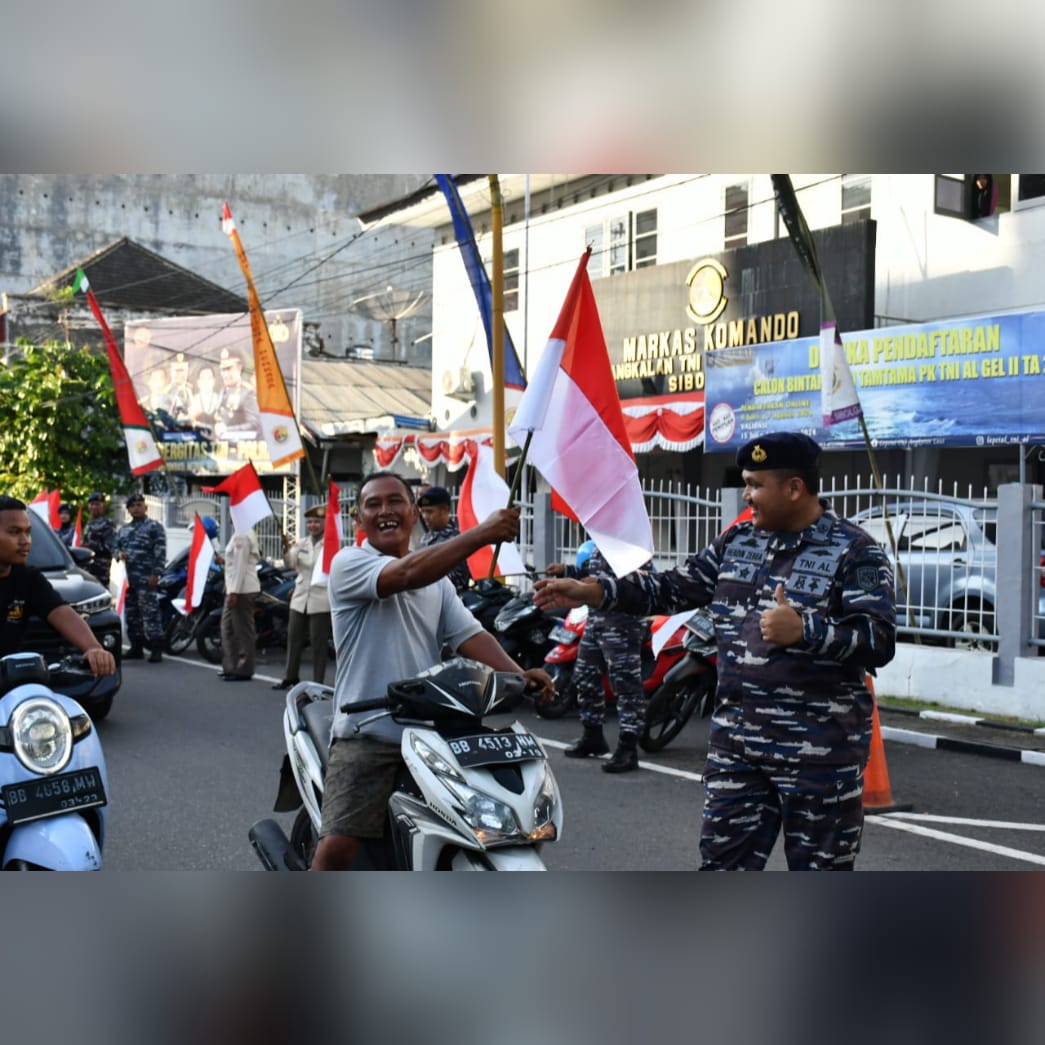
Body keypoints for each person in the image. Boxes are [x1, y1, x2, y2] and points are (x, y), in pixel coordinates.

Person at [535, 432, 896, 870]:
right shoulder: (737, 541)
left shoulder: (855, 552)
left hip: (818, 758)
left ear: (794, 487)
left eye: (755, 485)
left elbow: (878, 640)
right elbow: (671, 588)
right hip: (737, 752)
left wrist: (806, 630)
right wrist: (592, 591)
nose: (747, 495)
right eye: (745, 484)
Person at [312, 471, 554, 871]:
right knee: (337, 847)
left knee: (480, 826)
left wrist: (519, 673)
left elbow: (469, 635)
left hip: (431, 737)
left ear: (413, 513)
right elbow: (405, 575)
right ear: (359, 520)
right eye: (373, 504)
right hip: (369, 733)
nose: (385, 511)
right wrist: (482, 534)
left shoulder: (437, 583)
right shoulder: (349, 563)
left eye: (395, 501)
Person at [546, 538, 651, 773]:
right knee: (584, 676)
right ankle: (592, 735)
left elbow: (640, 584)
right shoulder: (599, 544)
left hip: (622, 624)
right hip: (595, 622)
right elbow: (590, 576)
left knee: (626, 686)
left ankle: (628, 747)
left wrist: (600, 585)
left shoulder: (632, 545)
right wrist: (566, 571)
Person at [0, 495, 117, 676]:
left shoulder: (28, 577)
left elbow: (59, 611)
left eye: (28, 532)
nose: (25, 541)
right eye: (14, 532)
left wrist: (92, 647)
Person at [273, 505, 331, 690]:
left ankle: (318, 682)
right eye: (310, 522)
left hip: (321, 598)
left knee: (318, 642)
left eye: (317, 522)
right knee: (293, 638)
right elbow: (290, 563)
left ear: (324, 523)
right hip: (300, 597)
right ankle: (290, 676)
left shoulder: (330, 545)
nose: (313, 525)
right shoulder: (302, 543)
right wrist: (286, 548)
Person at [114, 492, 167, 662]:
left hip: (146, 578)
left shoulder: (154, 527)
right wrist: (119, 554)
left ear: (146, 507)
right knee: (132, 614)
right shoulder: (123, 530)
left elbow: (160, 552)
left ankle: (156, 648)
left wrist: (156, 573)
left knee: (150, 613)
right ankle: (136, 647)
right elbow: (115, 548)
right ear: (128, 510)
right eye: (132, 506)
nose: (136, 508)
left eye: (139, 505)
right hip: (129, 580)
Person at [220, 524, 260, 681]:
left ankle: (244, 669)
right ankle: (231, 666)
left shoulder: (242, 535)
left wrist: (234, 591)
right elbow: (234, 562)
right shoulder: (239, 532)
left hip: (242, 590)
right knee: (228, 628)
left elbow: (240, 566)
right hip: (235, 588)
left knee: (242, 631)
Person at [417, 486, 471, 590]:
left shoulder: (457, 539)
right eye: (423, 511)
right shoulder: (425, 538)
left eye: (430, 512)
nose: (425, 516)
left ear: (445, 510)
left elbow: (459, 579)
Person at [214, 348, 261, 441]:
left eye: (229, 369)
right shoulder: (222, 392)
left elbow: (254, 425)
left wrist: (227, 430)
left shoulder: (247, 392)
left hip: (240, 447)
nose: (225, 374)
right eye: (223, 370)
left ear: (239, 368)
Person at [82, 492, 116, 585]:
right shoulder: (88, 524)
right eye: (92, 504)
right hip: (87, 569)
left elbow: (111, 547)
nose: (94, 507)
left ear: (103, 506)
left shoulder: (107, 523)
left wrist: (92, 545)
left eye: (97, 504)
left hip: (101, 570)